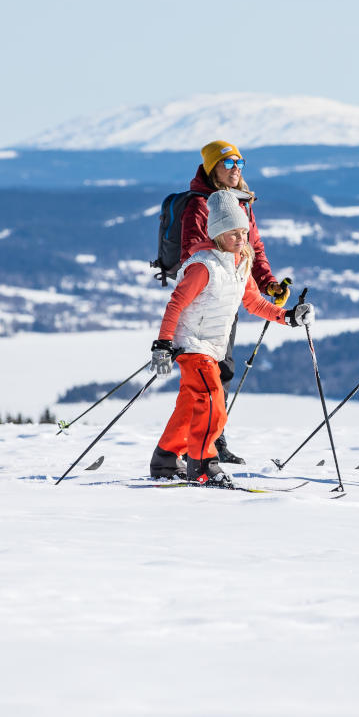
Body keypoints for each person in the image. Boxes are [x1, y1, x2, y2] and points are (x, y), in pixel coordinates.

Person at [150, 191, 314, 487]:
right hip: (193, 345)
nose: (240, 239)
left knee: (191, 404)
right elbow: (175, 303)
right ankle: (202, 465)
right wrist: (162, 345)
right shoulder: (203, 266)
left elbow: (254, 303)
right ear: (217, 234)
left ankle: (165, 459)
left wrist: (287, 317)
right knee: (212, 401)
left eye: (243, 233)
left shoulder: (240, 265)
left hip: (212, 346)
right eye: (232, 234)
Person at [172, 140, 292, 466]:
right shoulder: (200, 205)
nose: (236, 168)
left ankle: (194, 444)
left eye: (239, 162)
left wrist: (267, 282)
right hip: (208, 299)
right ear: (213, 168)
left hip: (232, 292)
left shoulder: (242, 202)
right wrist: (220, 277)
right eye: (227, 163)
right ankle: (205, 445)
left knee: (220, 372)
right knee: (213, 375)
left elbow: (253, 247)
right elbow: (192, 251)